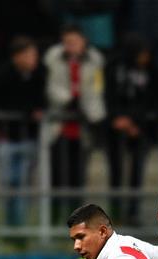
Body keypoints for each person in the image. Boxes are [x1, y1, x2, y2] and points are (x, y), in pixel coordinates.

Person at [44, 24, 106, 220]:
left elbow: (96, 88)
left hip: (83, 126)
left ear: (83, 42)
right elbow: (51, 87)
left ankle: (76, 220)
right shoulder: (53, 59)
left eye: (74, 42)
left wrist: (91, 110)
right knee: (57, 176)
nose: (70, 46)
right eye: (67, 42)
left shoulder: (95, 61)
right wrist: (68, 99)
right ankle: (54, 219)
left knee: (77, 176)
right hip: (59, 125)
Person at [0, 36, 46, 227]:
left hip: (29, 138)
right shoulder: (3, 74)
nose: (34, 59)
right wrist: (28, 110)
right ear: (18, 56)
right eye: (30, 55)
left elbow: (42, 101)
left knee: (23, 186)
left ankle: (19, 229)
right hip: (7, 139)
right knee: (9, 185)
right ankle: (10, 225)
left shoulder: (39, 74)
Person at [105, 33, 157, 226]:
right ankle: (116, 213)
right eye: (142, 53)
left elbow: (150, 99)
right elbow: (108, 95)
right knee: (116, 172)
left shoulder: (148, 70)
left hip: (139, 128)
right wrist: (118, 118)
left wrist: (134, 123)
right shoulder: (114, 68)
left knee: (137, 172)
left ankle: (133, 213)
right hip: (115, 127)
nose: (146, 57)